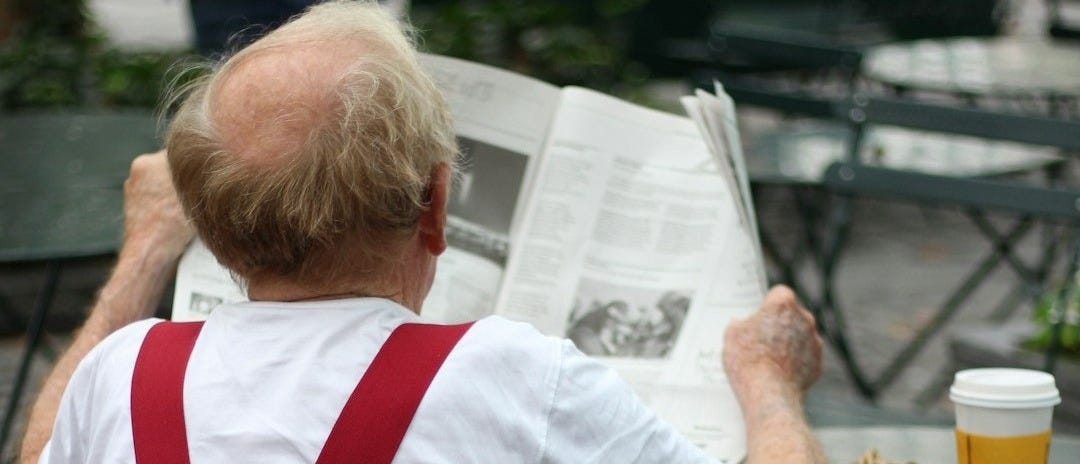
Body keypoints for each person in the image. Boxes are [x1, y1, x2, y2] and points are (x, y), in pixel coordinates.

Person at [20, 1, 825, 462]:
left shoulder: (121, 374)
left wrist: (142, 255)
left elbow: (44, 450)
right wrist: (769, 384)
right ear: (435, 207)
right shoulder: (509, 377)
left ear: (213, 226)